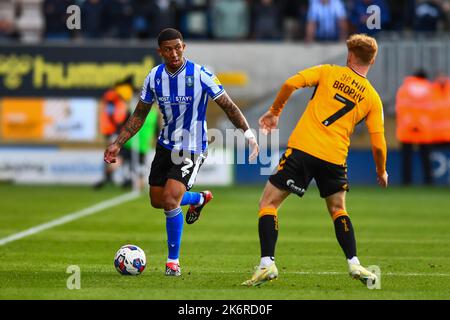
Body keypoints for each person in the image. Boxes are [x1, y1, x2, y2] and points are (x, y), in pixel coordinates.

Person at [104, 28, 259, 276]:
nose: (174, 53)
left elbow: (228, 106)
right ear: (160, 51)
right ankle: (198, 199)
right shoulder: (154, 77)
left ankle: (172, 262)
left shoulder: (201, 74)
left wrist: (249, 135)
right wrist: (118, 143)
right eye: (168, 49)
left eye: (178, 47)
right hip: (166, 145)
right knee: (157, 200)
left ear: (183, 47)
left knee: (169, 200)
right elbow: (139, 114)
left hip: (192, 147)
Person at [242, 34, 388, 287]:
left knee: (268, 202)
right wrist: (381, 171)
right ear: (372, 61)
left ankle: (267, 264)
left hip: (303, 150)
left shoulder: (328, 72)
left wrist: (275, 112)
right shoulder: (373, 98)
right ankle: (353, 262)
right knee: (338, 209)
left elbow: (290, 84)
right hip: (334, 158)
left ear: (350, 55)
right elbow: (378, 142)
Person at [396, 70, 435, 185]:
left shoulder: (404, 89)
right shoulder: (429, 89)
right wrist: (420, 124)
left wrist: (411, 123)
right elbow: (432, 109)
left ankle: (406, 182)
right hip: (424, 129)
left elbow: (401, 108)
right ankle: (429, 182)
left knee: (407, 159)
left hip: (407, 129)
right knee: (426, 158)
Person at [95, 77, 134, 189]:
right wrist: (117, 128)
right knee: (119, 154)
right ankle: (108, 177)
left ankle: (110, 177)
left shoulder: (114, 97)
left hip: (113, 130)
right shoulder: (113, 97)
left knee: (116, 154)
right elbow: (112, 115)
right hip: (113, 131)